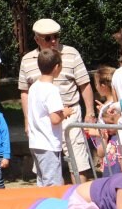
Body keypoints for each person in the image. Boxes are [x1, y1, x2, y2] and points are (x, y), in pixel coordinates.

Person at [19, 18, 95, 183]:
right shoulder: (27, 60)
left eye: (56, 36)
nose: (53, 41)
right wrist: (27, 119)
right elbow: (24, 92)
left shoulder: (71, 53)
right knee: (46, 167)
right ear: (36, 39)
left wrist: (90, 112)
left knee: (78, 162)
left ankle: (78, 199)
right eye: (47, 38)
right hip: (44, 121)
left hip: (70, 113)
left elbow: (84, 84)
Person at [27, 48, 73, 186]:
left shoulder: (34, 87)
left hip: (36, 142)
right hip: (48, 143)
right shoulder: (51, 90)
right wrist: (65, 112)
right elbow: (55, 119)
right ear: (57, 67)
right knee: (52, 184)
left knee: (42, 182)